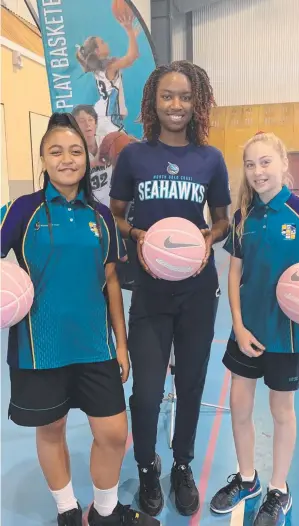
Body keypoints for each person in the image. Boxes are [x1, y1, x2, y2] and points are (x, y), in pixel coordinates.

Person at [0, 113, 161, 526]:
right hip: (39, 347)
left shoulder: (101, 215)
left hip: (95, 345)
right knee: (51, 431)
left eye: (75, 151)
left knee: (111, 433)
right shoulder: (21, 210)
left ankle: (105, 512)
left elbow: (110, 282)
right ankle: (67, 510)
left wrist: (121, 344)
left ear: (87, 159)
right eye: (56, 151)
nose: (66, 159)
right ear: (43, 159)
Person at [109, 60, 231, 517]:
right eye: (167, 96)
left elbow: (220, 220)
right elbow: (117, 212)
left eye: (184, 97)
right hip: (152, 290)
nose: (176, 105)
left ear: (196, 102)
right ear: (153, 103)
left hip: (198, 289)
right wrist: (137, 234)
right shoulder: (134, 157)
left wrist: (206, 239)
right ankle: (146, 467)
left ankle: (182, 464)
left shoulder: (210, 159)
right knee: (145, 391)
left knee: (193, 382)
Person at [210, 132, 299, 526]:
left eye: (265, 162)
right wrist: (238, 327)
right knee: (239, 407)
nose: (258, 171)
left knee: (281, 410)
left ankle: (278, 488)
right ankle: (246, 478)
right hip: (248, 331)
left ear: (282, 164)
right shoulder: (244, 217)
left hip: (288, 335)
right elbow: (234, 275)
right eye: (250, 164)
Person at [76, 13, 140, 138]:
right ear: (97, 51)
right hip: (108, 118)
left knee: (125, 148)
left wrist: (133, 38)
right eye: (102, 42)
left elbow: (134, 55)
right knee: (128, 148)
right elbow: (131, 57)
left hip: (103, 117)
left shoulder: (100, 67)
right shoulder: (110, 67)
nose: (106, 43)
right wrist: (129, 31)